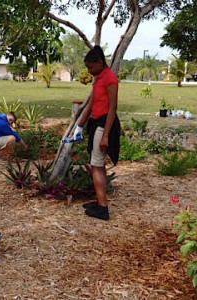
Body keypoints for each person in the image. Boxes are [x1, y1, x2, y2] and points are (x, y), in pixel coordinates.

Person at [73, 45, 121, 221]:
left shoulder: (110, 79)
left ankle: (103, 208)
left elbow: (112, 108)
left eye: (91, 67)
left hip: (104, 125)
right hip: (96, 124)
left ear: (100, 62)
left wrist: (106, 135)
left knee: (97, 165)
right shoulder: (99, 78)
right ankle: (100, 201)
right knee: (96, 166)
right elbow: (92, 103)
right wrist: (79, 126)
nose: (89, 71)